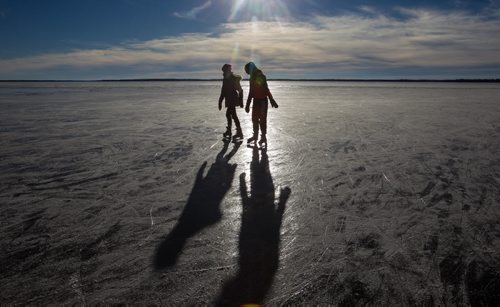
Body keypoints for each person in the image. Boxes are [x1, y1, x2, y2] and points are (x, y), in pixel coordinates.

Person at [244, 62, 278, 145]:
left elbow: (265, 89)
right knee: (254, 119)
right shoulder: (252, 78)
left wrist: (271, 100)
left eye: (247, 70)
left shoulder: (259, 76)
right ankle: (255, 136)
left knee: (262, 120)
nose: (247, 73)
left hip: (262, 101)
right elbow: (251, 91)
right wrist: (248, 104)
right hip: (256, 101)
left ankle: (263, 137)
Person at [219, 64, 244, 139]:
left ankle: (237, 132)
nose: (228, 70)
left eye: (229, 69)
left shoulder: (233, 78)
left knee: (231, 115)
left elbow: (240, 90)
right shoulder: (225, 78)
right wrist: (220, 101)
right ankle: (233, 131)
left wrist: (241, 101)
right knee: (231, 115)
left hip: (232, 99)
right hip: (229, 99)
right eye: (227, 69)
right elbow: (223, 91)